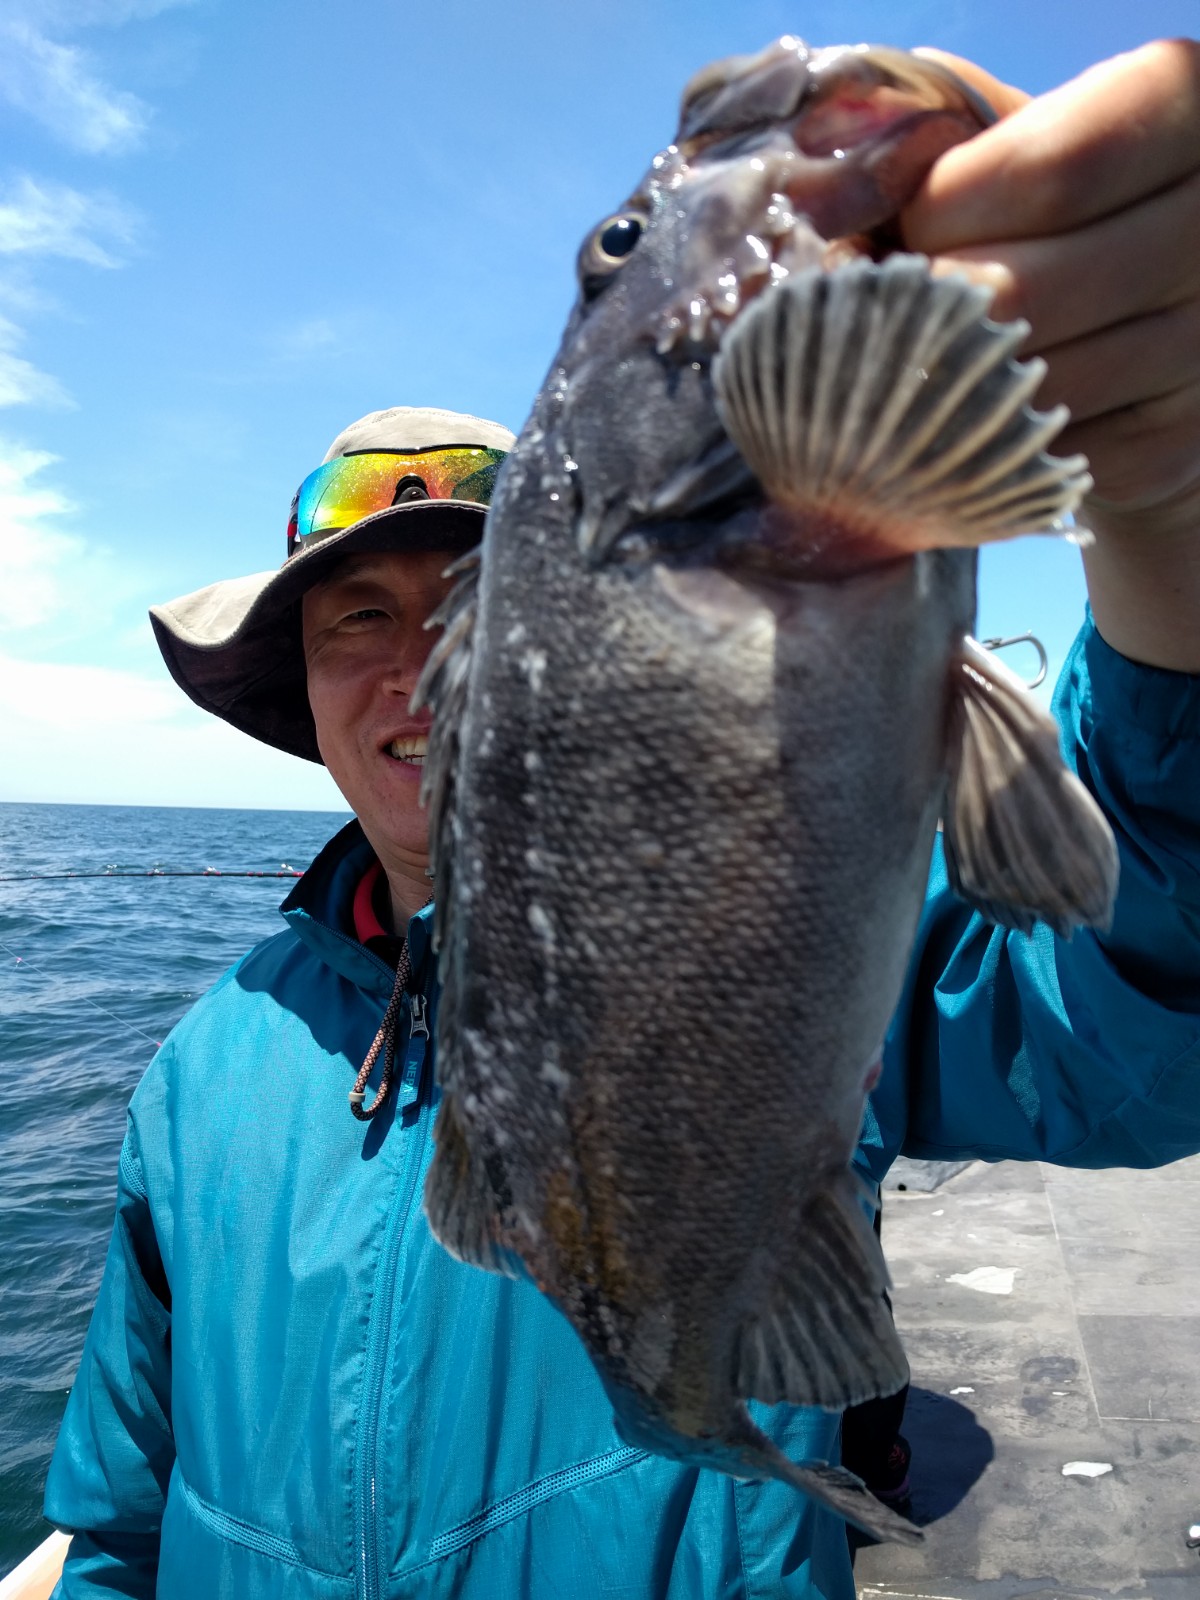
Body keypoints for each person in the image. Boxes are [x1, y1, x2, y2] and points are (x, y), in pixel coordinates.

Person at [43, 38, 1200, 1600]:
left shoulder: (838, 918)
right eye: (354, 620)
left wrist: (1170, 541)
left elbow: (1142, 1016)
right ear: (299, 692)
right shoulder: (199, 1077)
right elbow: (117, 1530)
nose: (416, 673)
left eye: (468, 608)